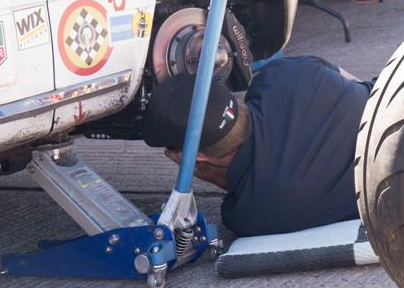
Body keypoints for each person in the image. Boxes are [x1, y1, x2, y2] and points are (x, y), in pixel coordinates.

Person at [142, 56, 372, 237]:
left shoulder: (248, 212)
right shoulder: (282, 74)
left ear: (198, 156)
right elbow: (364, 86)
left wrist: (195, 170)